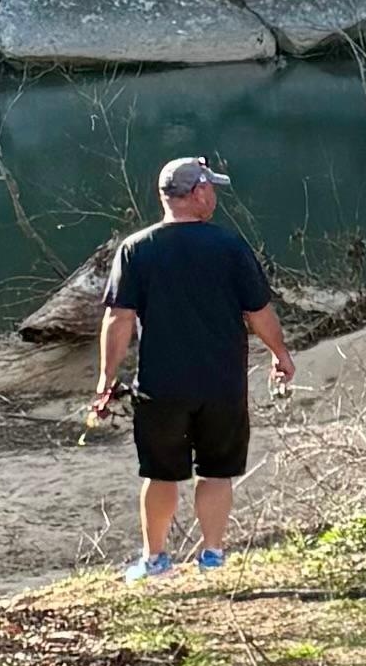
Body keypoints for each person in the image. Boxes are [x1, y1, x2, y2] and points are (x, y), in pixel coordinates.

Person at [91, 154, 293, 577]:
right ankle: (213, 555)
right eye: (211, 188)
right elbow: (259, 313)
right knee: (217, 472)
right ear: (198, 192)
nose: (214, 195)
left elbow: (118, 319)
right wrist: (281, 355)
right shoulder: (230, 247)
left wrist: (106, 381)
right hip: (222, 384)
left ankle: (155, 559)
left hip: (161, 385)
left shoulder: (136, 249)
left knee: (160, 474)